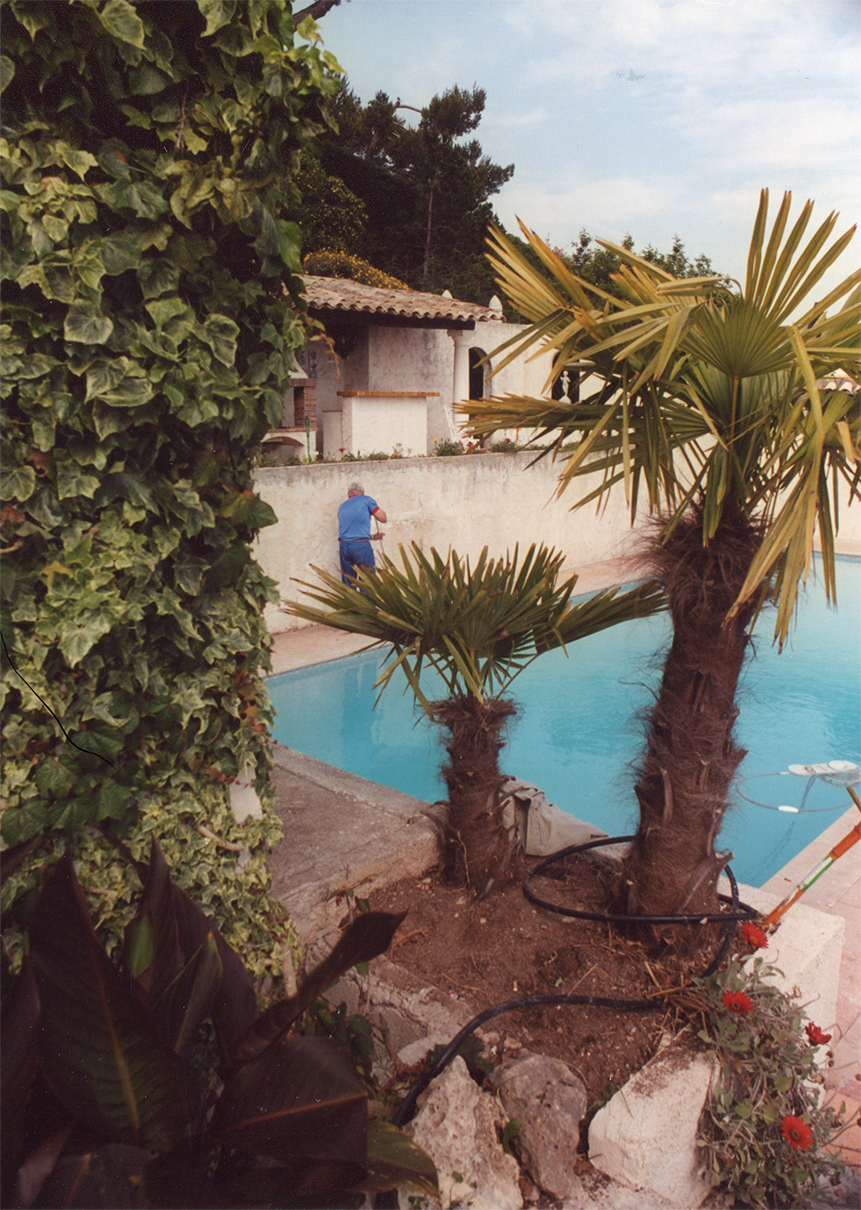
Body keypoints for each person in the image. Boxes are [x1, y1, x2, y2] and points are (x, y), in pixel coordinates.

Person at [337, 482, 387, 585]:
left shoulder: (342, 506)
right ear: (362, 492)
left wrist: (373, 537)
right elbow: (383, 518)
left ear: (348, 495)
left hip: (344, 547)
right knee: (368, 581)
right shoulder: (367, 500)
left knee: (349, 583)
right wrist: (375, 506)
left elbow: (352, 531)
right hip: (361, 547)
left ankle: (349, 601)